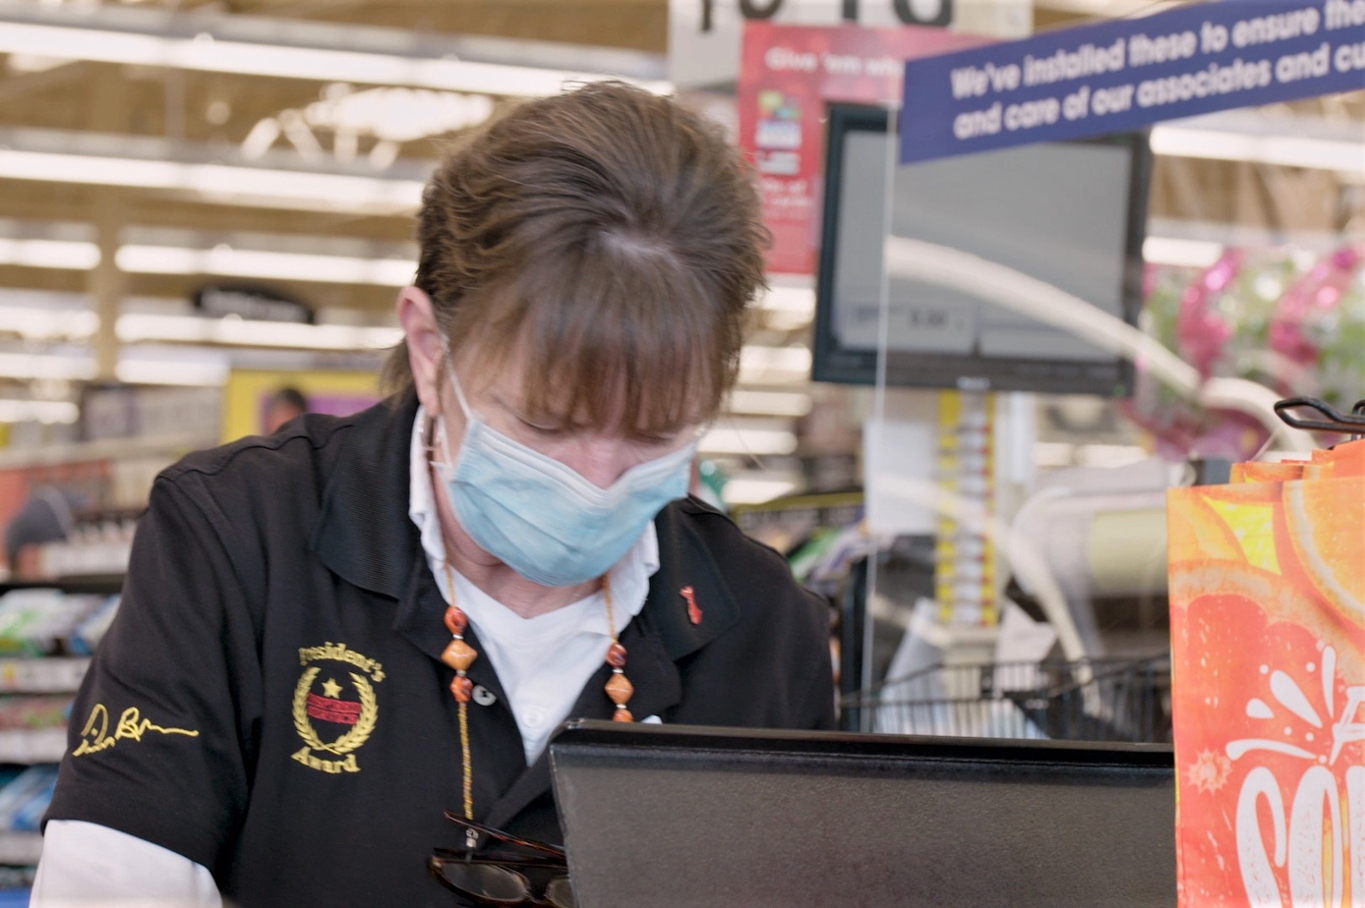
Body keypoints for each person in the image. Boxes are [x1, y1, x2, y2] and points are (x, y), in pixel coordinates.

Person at [34, 82, 835, 907]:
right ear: (429, 347)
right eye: (546, 424)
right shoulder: (241, 538)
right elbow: (113, 879)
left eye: (654, 434)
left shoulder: (765, 628)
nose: (597, 478)